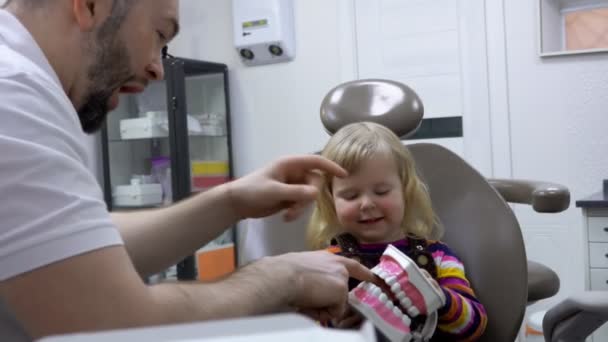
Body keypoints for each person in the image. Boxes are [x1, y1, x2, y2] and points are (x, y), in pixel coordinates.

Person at [0, 0, 375, 339]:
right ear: (91, 5)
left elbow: (73, 246)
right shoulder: (13, 98)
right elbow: (117, 325)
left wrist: (230, 201)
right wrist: (285, 278)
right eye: (159, 34)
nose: (157, 70)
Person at [307, 122, 488, 341]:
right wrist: (334, 324)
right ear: (331, 199)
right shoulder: (328, 264)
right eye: (351, 196)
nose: (366, 203)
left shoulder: (437, 258)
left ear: (405, 190)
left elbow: (474, 327)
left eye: (381, 191)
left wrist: (440, 299)